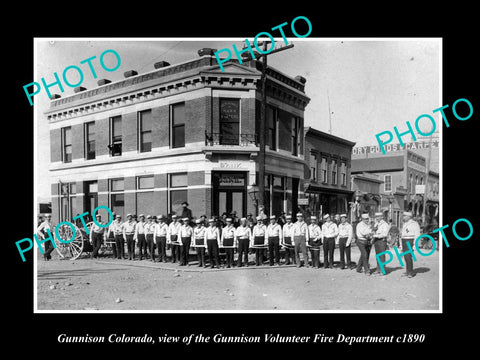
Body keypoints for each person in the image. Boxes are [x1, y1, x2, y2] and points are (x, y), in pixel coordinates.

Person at [400, 211, 421, 278]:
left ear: (409, 217)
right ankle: (407, 271)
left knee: (409, 256)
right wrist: (401, 245)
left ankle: (410, 272)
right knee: (405, 257)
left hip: (410, 240)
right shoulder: (404, 223)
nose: (403, 217)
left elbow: (417, 235)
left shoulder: (414, 224)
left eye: (404, 216)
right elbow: (402, 234)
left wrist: (415, 245)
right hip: (404, 240)